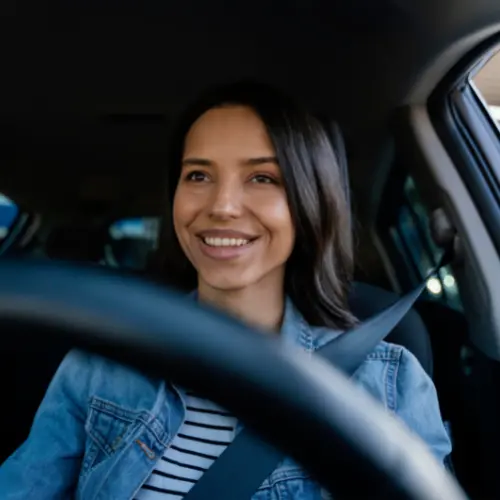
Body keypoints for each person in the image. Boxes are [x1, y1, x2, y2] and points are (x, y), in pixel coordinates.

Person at [0, 81, 451, 499]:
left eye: (262, 178)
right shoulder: (99, 366)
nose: (222, 206)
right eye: (198, 175)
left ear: (308, 200)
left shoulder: (388, 383)